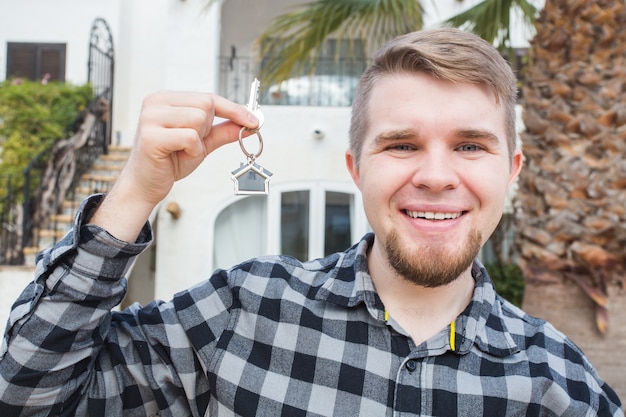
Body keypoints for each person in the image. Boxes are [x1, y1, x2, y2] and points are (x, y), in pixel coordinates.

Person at [0, 28, 622, 417]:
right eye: (402, 145)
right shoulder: (242, 312)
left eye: (469, 146)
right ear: (356, 167)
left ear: (511, 169)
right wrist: (137, 189)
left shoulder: (559, 385)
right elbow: (26, 396)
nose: (436, 175)